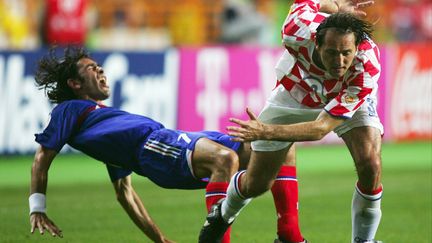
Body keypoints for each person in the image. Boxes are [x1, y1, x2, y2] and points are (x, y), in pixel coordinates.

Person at [199, 0, 384, 243]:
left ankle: (364, 240)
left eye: (346, 53)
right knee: (257, 183)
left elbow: (321, 129)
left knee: (370, 163)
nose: (339, 61)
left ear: (356, 48)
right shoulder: (297, 29)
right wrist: (336, 5)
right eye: (331, 52)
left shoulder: (365, 68)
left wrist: (265, 130)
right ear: (316, 43)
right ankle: (222, 214)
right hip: (294, 93)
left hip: (342, 93)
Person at [29, 46, 252, 243]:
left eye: (99, 66)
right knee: (225, 159)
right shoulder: (68, 110)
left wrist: (160, 239)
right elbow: (41, 158)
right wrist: (37, 208)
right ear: (75, 83)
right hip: (155, 145)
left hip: (171, 137)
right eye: (91, 68)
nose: (100, 70)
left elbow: (125, 194)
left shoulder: (104, 127)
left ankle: (286, 232)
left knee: (256, 149)